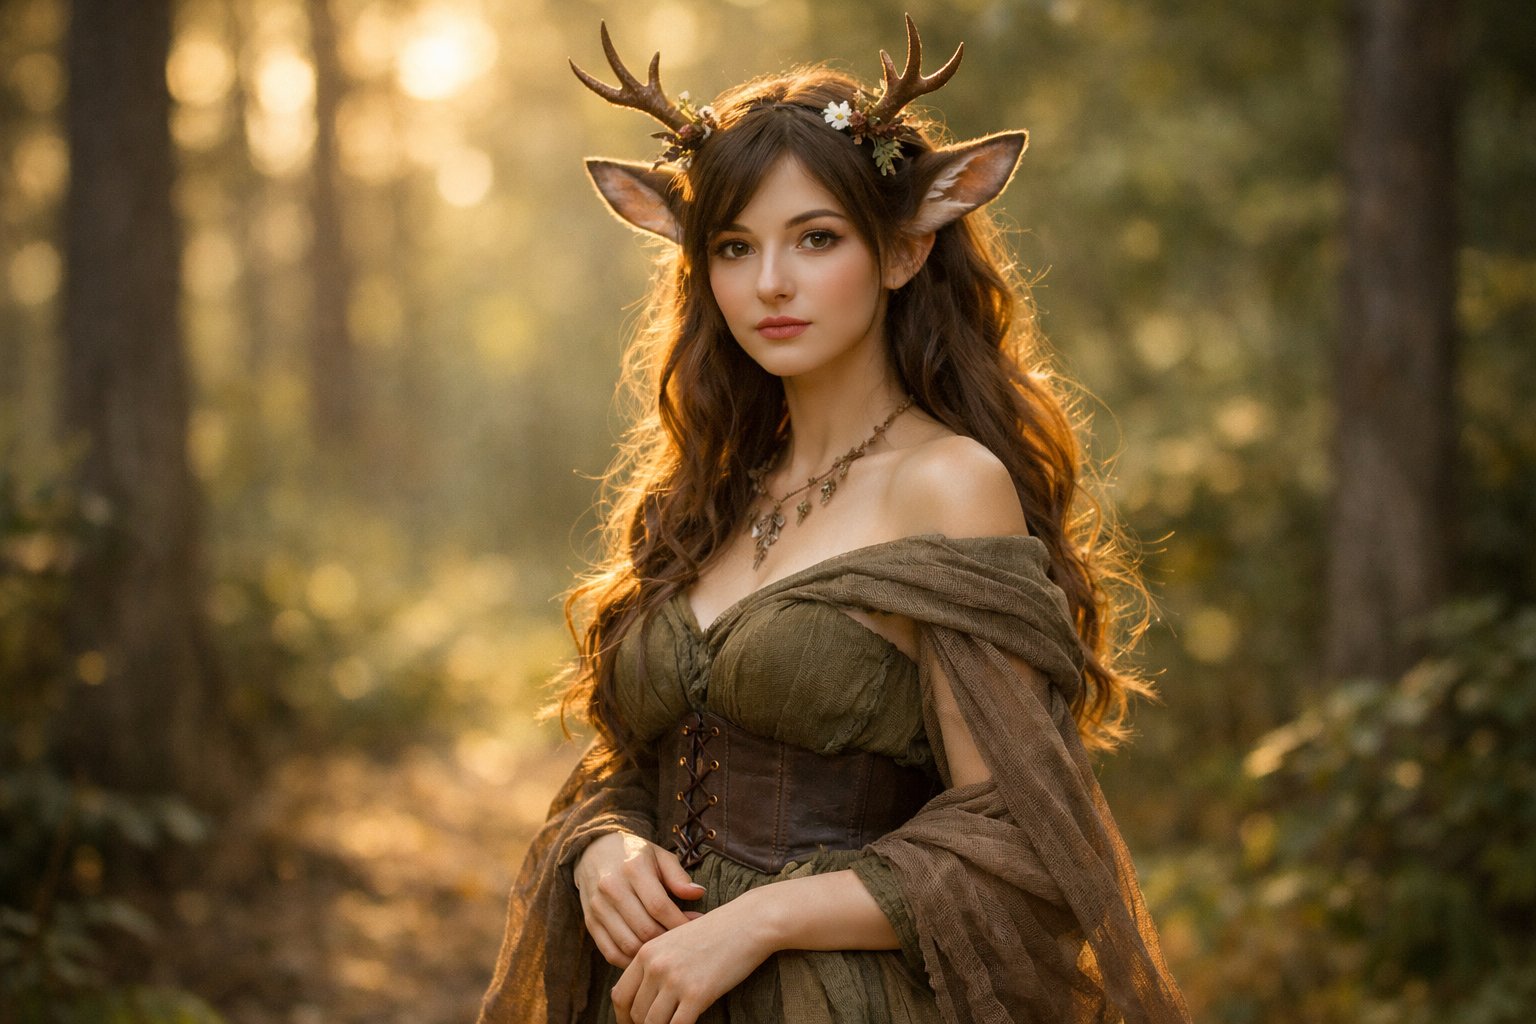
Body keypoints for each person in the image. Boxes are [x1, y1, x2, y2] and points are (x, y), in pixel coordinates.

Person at [478, 17, 1192, 1024]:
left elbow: (1020, 839)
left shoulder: (946, 483)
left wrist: (756, 921)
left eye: (815, 238)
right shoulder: (708, 492)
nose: (770, 282)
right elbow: (634, 759)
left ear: (902, 250)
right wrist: (603, 845)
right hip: (642, 999)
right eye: (735, 246)